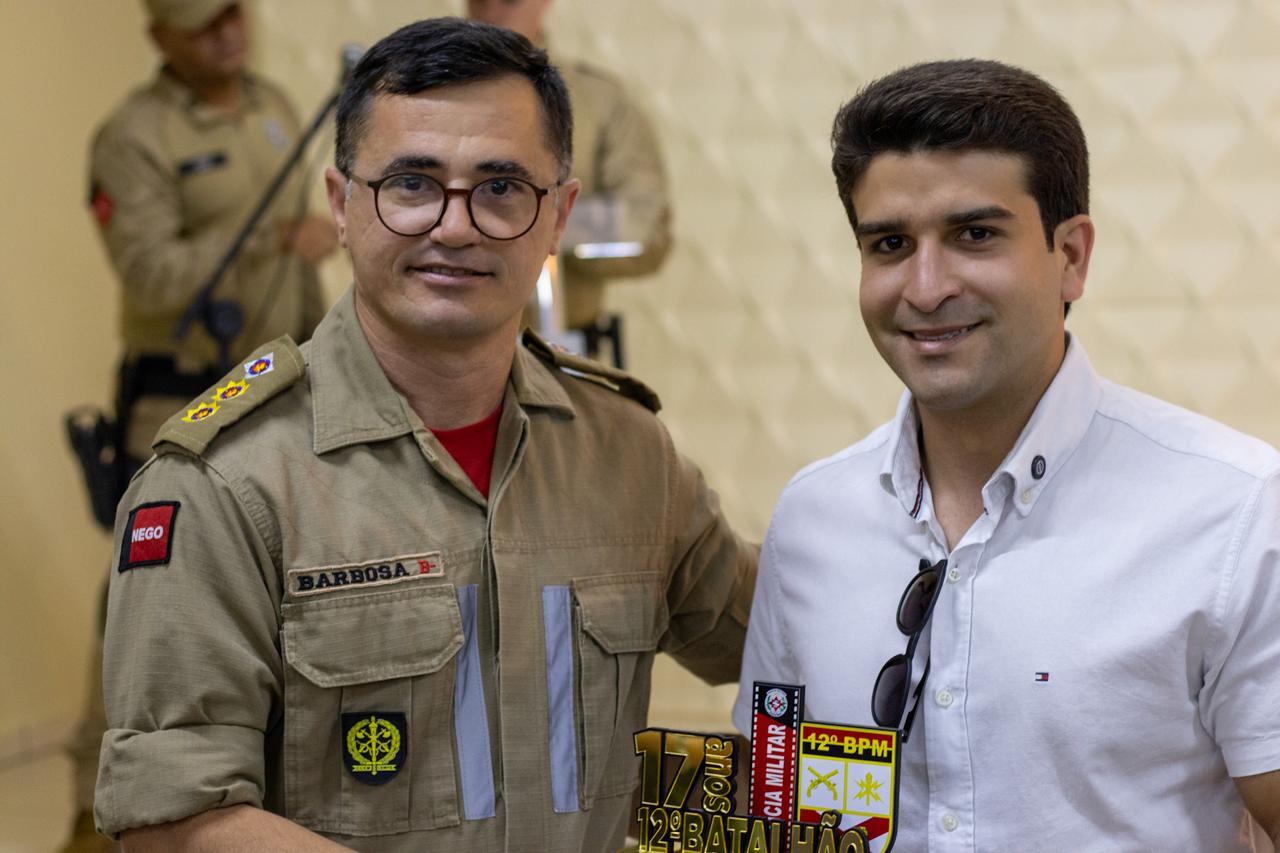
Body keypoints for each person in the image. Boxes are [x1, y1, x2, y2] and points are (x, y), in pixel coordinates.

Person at [93, 17, 755, 852]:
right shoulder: (225, 485)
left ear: (558, 215)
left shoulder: (627, 454)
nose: (455, 225)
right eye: (412, 183)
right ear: (341, 205)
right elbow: (174, 822)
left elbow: (794, 647)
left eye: (501, 187)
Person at [732, 59, 1280, 850]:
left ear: (1071, 256)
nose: (925, 288)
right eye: (890, 243)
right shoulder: (813, 517)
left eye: (975, 235)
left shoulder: (1235, 509)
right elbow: (775, 812)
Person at [63, 2, 336, 850]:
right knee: (148, 604)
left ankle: (263, 790)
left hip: (282, 390)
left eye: (233, 10)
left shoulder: (274, 103)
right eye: (202, 20)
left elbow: (299, 267)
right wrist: (266, 239)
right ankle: (93, 806)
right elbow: (148, 271)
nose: (226, 30)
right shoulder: (134, 135)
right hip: (185, 399)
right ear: (161, 37)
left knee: (284, 590)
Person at [467, 0, 672, 349]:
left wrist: (532, 220)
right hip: (441, 357)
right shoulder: (416, 94)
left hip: (561, 351)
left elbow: (647, 226)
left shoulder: (599, 99)